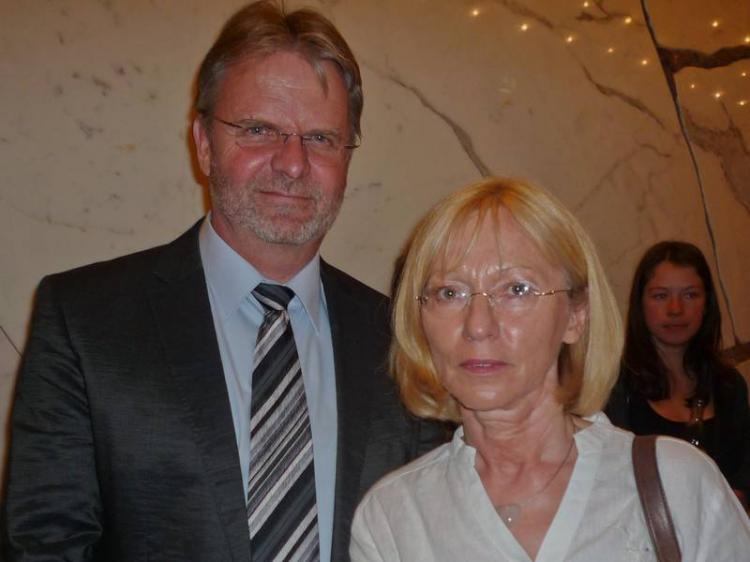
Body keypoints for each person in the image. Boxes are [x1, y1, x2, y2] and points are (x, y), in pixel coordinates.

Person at [2, 2, 442, 560]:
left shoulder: (402, 335)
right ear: (204, 144)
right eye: (259, 130)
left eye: (322, 139)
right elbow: (46, 546)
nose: (292, 164)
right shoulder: (85, 321)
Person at [349, 178, 750, 561]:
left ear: (576, 315)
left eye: (516, 289)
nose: (477, 325)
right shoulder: (394, 518)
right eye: (449, 292)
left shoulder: (676, 484)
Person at [606, 241, 750, 508]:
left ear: (707, 303)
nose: (675, 309)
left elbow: (745, 474)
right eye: (660, 295)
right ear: (640, 304)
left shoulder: (730, 386)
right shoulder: (615, 390)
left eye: (690, 295)